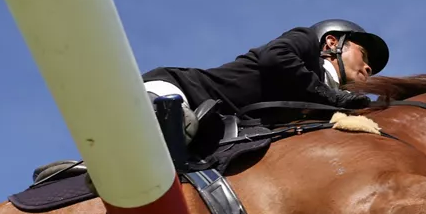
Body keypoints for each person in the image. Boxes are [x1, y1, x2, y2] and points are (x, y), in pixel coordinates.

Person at [142, 19, 390, 141]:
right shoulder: (303, 42)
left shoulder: (322, 107)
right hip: (175, 92)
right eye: (364, 54)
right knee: (181, 126)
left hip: (213, 134)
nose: (368, 67)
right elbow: (275, 58)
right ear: (332, 43)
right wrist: (333, 96)